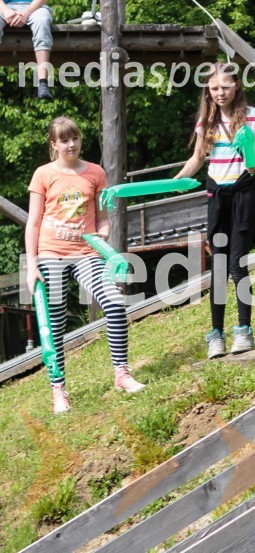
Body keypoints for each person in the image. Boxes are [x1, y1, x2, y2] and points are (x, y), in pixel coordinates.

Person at [25, 116, 144, 414]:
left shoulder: (96, 173)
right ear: (54, 145)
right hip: (50, 252)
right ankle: (59, 389)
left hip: (86, 253)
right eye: (64, 140)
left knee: (115, 303)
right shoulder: (43, 174)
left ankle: (121, 374)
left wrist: (103, 231)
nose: (71, 144)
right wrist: (31, 265)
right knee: (55, 323)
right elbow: (33, 222)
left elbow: (103, 218)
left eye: (75, 138)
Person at [176, 63, 255, 359]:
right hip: (216, 196)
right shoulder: (206, 121)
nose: (219, 93)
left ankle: (244, 330)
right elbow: (197, 158)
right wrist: (178, 179)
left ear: (236, 86)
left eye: (224, 87)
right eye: (213, 88)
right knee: (218, 268)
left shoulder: (254, 117)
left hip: (243, 194)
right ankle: (216, 335)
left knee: (237, 264)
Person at [0, 0, 53, 99]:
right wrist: (5, 10)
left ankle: (43, 83)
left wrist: (26, 14)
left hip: (35, 7)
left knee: (42, 22)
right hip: (4, 7)